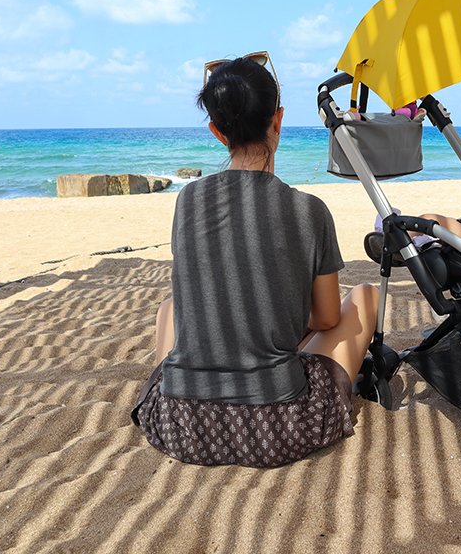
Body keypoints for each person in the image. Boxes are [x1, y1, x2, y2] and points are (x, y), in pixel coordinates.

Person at [132, 52, 378, 468]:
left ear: (216, 131)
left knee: (171, 308)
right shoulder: (309, 210)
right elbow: (325, 319)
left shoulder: (187, 201)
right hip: (276, 428)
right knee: (366, 296)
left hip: (182, 425)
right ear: (277, 120)